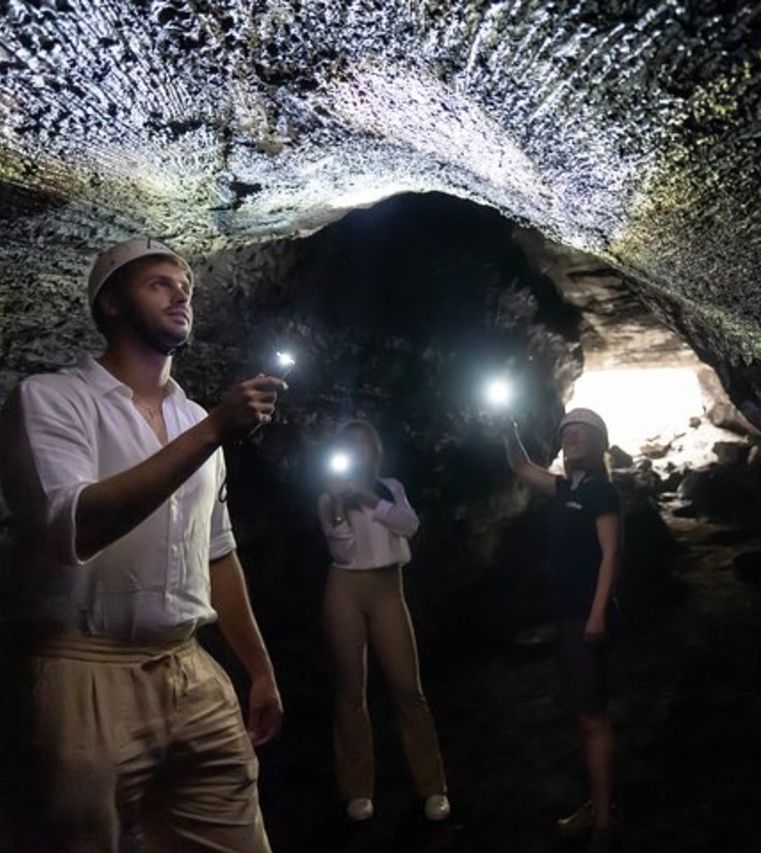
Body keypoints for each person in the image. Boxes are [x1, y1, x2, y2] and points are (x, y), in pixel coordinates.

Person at [0, 237, 285, 852]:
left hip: (189, 668)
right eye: (158, 282)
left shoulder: (192, 420)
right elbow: (73, 525)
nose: (181, 291)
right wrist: (215, 431)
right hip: (81, 673)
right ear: (110, 304)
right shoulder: (50, 400)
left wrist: (258, 668)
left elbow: (217, 551)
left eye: (185, 284)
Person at [317, 419, 450, 823]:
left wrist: (368, 500)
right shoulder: (327, 498)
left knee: (409, 689)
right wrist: (341, 506)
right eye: (350, 446)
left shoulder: (391, 487)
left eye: (364, 445)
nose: (358, 453)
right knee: (351, 690)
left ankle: (433, 786)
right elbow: (343, 552)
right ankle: (358, 790)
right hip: (345, 589)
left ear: (374, 451)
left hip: (388, 588)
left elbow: (409, 525)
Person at [503, 408, 622, 853]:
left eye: (581, 432)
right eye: (566, 431)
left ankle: (605, 824)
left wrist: (596, 615)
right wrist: (508, 426)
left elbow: (611, 556)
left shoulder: (602, 494)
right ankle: (599, 805)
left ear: (598, 443)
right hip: (567, 616)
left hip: (585, 617)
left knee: (593, 719)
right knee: (583, 716)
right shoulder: (564, 488)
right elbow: (519, 465)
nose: (571, 437)